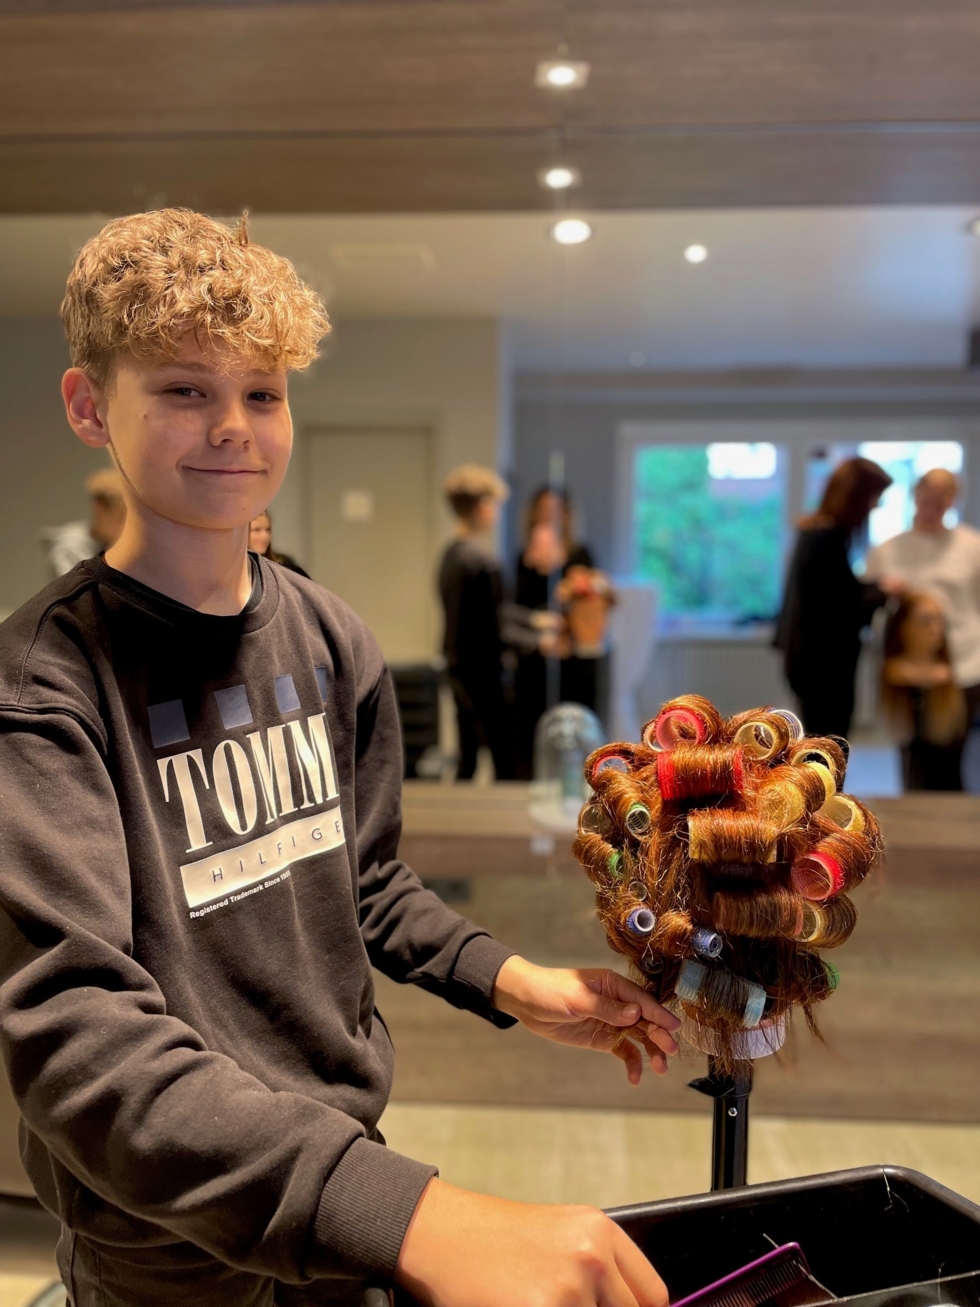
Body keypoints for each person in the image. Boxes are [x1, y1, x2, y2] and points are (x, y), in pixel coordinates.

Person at [0, 209, 677, 1307]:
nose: (233, 427)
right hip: (167, 1229)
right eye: (182, 390)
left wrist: (511, 981)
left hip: (341, 1160)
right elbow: (78, 1038)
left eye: (261, 393)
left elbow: (362, 880)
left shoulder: (327, 636)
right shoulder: (42, 685)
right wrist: (412, 1213)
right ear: (90, 408)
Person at [775, 456, 901, 738]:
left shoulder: (816, 534)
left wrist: (873, 586)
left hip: (813, 663)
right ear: (856, 498)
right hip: (825, 668)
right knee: (828, 745)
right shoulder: (827, 539)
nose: (875, 506)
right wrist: (881, 592)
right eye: (873, 498)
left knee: (820, 741)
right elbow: (838, 609)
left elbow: (834, 592)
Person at [866, 468, 980, 727]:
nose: (930, 509)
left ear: (953, 500)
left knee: (952, 745)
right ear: (915, 496)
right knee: (910, 744)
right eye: (925, 500)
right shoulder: (887, 550)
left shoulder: (973, 547)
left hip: (964, 660)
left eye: (940, 502)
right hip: (907, 662)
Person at [512, 487, 601, 778]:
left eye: (556, 508)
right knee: (532, 722)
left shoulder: (580, 553)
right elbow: (518, 606)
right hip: (537, 656)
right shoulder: (523, 556)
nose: (549, 514)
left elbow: (589, 601)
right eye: (543, 508)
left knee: (575, 721)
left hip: (572, 656)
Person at [437, 464, 515, 781]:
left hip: (457, 666)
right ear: (483, 507)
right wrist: (539, 639)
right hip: (485, 671)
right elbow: (497, 627)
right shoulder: (483, 562)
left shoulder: (450, 556)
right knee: (504, 754)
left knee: (467, 756)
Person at [881, 591, 968, 791]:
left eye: (940, 621)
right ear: (903, 627)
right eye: (926, 621)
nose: (936, 629)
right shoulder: (895, 673)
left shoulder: (949, 678)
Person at [41, 465, 127, 576]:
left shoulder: (107, 544)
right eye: (120, 519)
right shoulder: (70, 549)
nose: (125, 528)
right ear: (100, 508)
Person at [249, 508, 311, 577]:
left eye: (268, 530)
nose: (265, 536)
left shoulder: (285, 564)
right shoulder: (238, 568)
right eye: (257, 530)